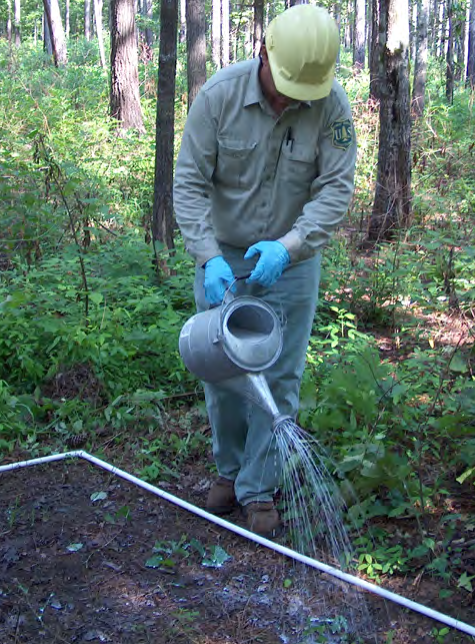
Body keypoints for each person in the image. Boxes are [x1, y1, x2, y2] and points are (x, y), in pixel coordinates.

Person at [173, 4, 357, 538]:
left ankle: (259, 488)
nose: (292, 100)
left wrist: (291, 245)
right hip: (222, 256)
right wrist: (206, 256)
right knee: (223, 370)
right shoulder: (218, 98)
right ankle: (229, 474)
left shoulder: (331, 107)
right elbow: (188, 184)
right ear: (263, 54)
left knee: (277, 375)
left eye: (304, 92)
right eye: (285, 87)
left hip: (291, 262)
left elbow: (335, 188)